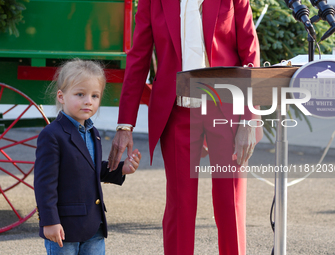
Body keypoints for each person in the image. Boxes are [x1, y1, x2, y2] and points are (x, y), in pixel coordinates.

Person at [109, 0, 262, 254]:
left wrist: (249, 118)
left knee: (230, 203)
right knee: (180, 205)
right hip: (177, 111)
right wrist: (125, 125)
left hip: (227, 108)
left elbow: (250, 54)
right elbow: (139, 57)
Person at [34, 59, 141, 255]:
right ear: (61, 96)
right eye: (80, 94)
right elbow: (44, 183)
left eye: (94, 95)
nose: (88, 101)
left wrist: (121, 169)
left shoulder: (93, 132)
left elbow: (90, 169)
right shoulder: (52, 135)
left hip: (94, 225)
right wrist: (49, 221)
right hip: (63, 229)